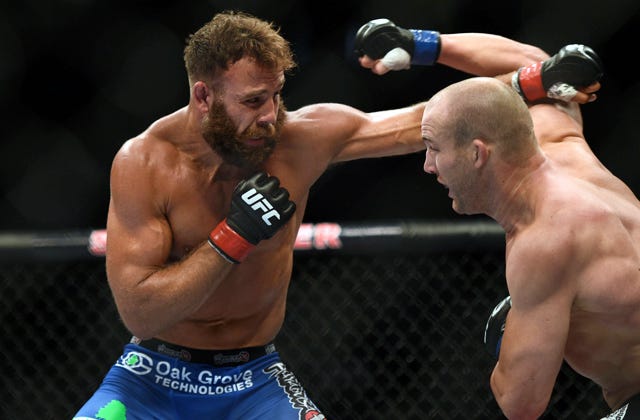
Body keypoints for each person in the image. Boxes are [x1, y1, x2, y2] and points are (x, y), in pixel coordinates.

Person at [355, 18, 640, 420]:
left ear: (477, 154)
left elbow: (520, 402)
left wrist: (508, 335)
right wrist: (420, 44)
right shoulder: (562, 147)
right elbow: (537, 65)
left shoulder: (544, 238)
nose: (427, 166)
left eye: (433, 148)